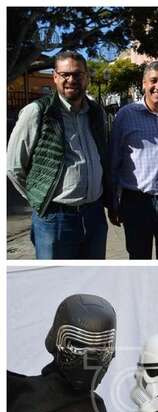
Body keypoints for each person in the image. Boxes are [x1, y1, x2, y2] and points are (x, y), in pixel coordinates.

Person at [7, 50, 110, 259]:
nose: (72, 79)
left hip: (94, 215)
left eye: (78, 74)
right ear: (55, 77)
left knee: (91, 277)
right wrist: (39, 199)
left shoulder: (95, 112)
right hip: (55, 219)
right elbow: (14, 166)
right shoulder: (38, 112)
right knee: (54, 278)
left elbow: (103, 155)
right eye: (65, 74)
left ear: (87, 77)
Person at [110, 60, 158, 259]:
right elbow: (113, 160)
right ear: (144, 83)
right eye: (153, 81)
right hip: (137, 203)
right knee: (139, 259)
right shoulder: (125, 115)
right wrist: (112, 202)